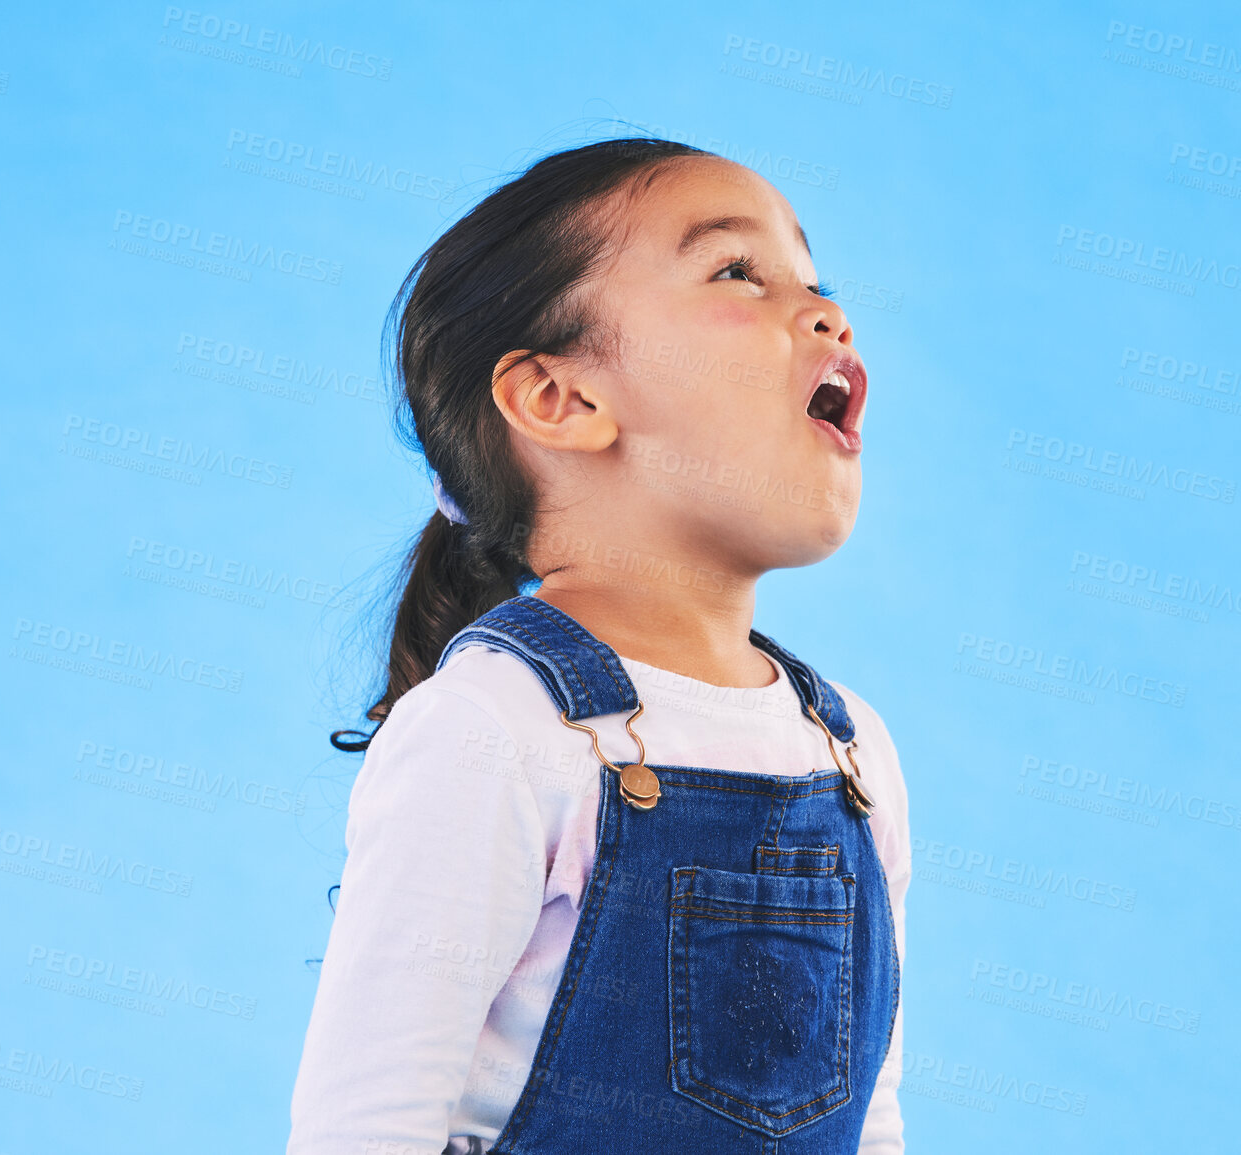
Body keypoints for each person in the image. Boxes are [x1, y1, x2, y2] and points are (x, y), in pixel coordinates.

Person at [287, 136, 910, 1154]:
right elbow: (366, 1126)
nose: (826, 311)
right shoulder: (494, 728)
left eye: (815, 280)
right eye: (738, 272)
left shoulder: (849, 754)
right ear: (562, 401)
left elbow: (871, 1120)